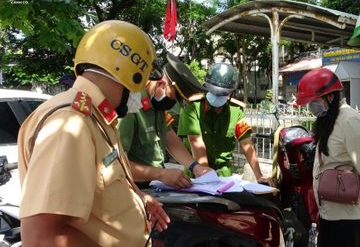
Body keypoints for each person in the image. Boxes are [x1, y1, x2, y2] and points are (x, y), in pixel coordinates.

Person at [17, 20, 170, 247]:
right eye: (142, 82)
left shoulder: (97, 118)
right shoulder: (72, 123)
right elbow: (43, 237)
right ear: (130, 77)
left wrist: (139, 199)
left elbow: (101, 188)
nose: (140, 93)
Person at [118, 52, 212, 189]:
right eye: (173, 97)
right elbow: (117, 163)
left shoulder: (157, 106)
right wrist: (161, 174)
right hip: (131, 189)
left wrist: (196, 167)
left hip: (154, 187)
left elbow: (170, 139)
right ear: (161, 85)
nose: (172, 104)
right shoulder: (131, 107)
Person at [177, 62, 274, 186]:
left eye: (222, 93)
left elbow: (246, 144)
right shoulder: (192, 108)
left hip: (224, 177)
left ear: (230, 93)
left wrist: (259, 176)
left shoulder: (236, 112)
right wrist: (206, 176)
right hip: (196, 177)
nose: (217, 96)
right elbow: (197, 144)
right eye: (213, 91)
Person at [296, 68, 360, 247]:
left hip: (348, 219)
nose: (311, 107)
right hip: (329, 214)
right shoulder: (330, 120)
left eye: (313, 102)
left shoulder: (350, 120)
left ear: (330, 97)